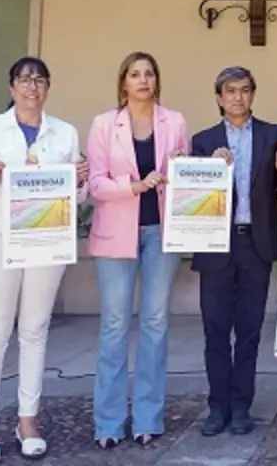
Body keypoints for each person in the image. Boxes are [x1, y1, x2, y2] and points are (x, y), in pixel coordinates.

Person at [0, 57, 88, 463]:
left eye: (39, 80)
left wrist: (81, 181)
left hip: (45, 242)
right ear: (11, 87)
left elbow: (75, 197)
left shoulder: (64, 133)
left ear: (48, 87)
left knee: (35, 331)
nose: (31, 87)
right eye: (24, 80)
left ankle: (28, 420)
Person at [86, 52, 190, 448]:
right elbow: (95, 184)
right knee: (114, 326)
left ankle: (149, 418)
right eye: (135, 74)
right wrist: (134, 186)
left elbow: (183, 179)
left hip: (161, 233)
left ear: (156, 81)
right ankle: (108, 423)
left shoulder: (175, 121)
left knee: (155, 324)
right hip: (116, 234)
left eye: (149, 74)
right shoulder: (102, 124)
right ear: (123, 83)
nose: (143, 80)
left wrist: (180, 167)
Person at [191, 67, 277, 437]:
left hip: (255, 243)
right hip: (216, 244)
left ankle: (242, 406)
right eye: (230, 91)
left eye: (245, 90)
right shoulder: (202, 141)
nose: (238, 97)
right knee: (215, 329)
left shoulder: (272, 136)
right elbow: (193, 195)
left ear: (253, 95)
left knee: (248, 331)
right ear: (218, 97)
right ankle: (217, 406)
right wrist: (210, 168)